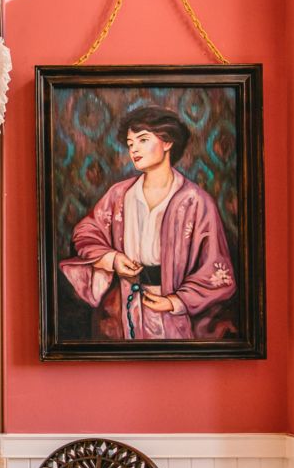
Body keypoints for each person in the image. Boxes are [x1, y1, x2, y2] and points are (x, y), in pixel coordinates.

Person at [58, 105, 236, 340]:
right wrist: (113, 259)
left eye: (142, 140)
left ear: (167, 142)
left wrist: (174, 301)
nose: (134, 149)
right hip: (123, 308)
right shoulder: (119, 194)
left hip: (173, 316)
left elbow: (217, 268)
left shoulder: (196, 201)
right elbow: (85, 233)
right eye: (130, 144)